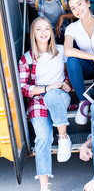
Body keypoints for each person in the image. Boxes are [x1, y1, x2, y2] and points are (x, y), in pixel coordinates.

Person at [18, 17, 72, 191]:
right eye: (38, 29)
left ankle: (63, 138)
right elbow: (23, 87)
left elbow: (70, 73)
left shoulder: (61, 51)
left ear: (52, 32)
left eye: (46, 29)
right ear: (33, 33)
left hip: (60, 97)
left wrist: (67, 84)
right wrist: (46, 88)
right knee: (43, 136)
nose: (43, 33)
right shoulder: (27, 59)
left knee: (53, 95)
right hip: (38, 100)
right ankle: (44, 186)